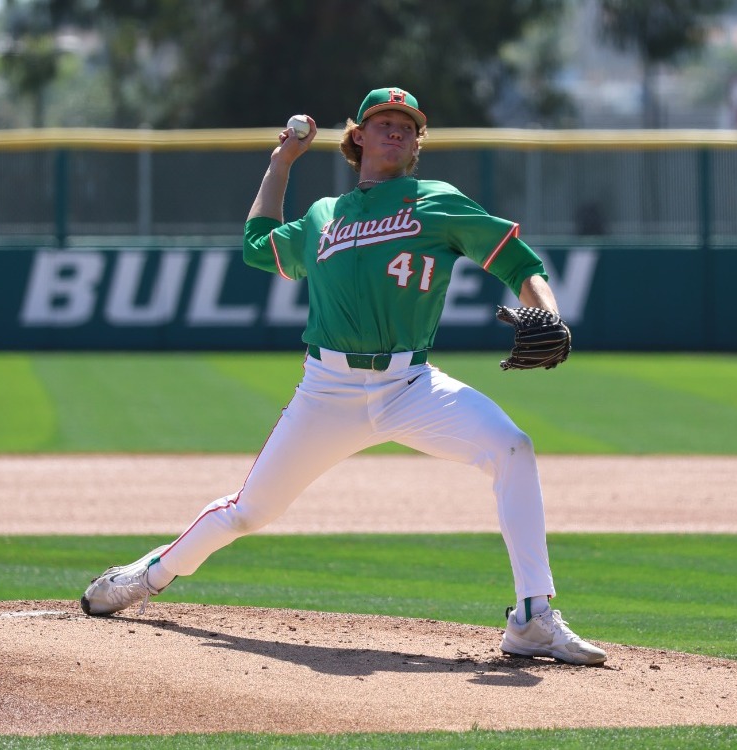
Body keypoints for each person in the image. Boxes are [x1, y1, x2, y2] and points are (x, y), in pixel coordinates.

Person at [81, 86, 606, 666]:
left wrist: (549, 314)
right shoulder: (323, 216)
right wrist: (281, 162)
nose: (396, 131)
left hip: (411, 385)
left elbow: (520, 264)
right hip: (327, 391)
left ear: (417, 144)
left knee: (512, 447)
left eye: (407, 126)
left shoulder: (437, 201)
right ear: (357, 136)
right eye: (383, 122)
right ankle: (148, 574)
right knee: (250, 511)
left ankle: (532, 617)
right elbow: (257, 246)